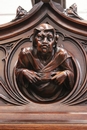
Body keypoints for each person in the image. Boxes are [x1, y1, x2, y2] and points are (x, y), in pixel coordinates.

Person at [15, 23, 75, 102]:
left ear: (55, 41)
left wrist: (65, 74)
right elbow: (17, 71)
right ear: (35, 41)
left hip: (59, 97)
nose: (45, 42)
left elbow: (71, 74)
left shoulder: (62, 55)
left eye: (49, 38)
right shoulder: (26, 54)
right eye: (40, 37)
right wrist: (23, 72)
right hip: (30, 96)